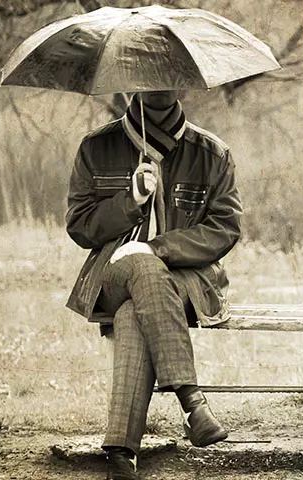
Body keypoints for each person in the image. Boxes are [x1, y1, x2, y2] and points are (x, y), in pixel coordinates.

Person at [65, 90, 242, 480]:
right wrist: (132, 197)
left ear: (182, 84)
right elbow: (80, 226)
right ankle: (192, 404)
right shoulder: (97, 147)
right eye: (149, 76)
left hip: (186, 281)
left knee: (134, 311)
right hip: (113, 274)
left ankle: (120, 453)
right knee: (139, 270)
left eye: (169, 76)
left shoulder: (212, 153)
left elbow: (225, 228)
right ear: (132, 82)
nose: (160, 84)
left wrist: (157, 247)